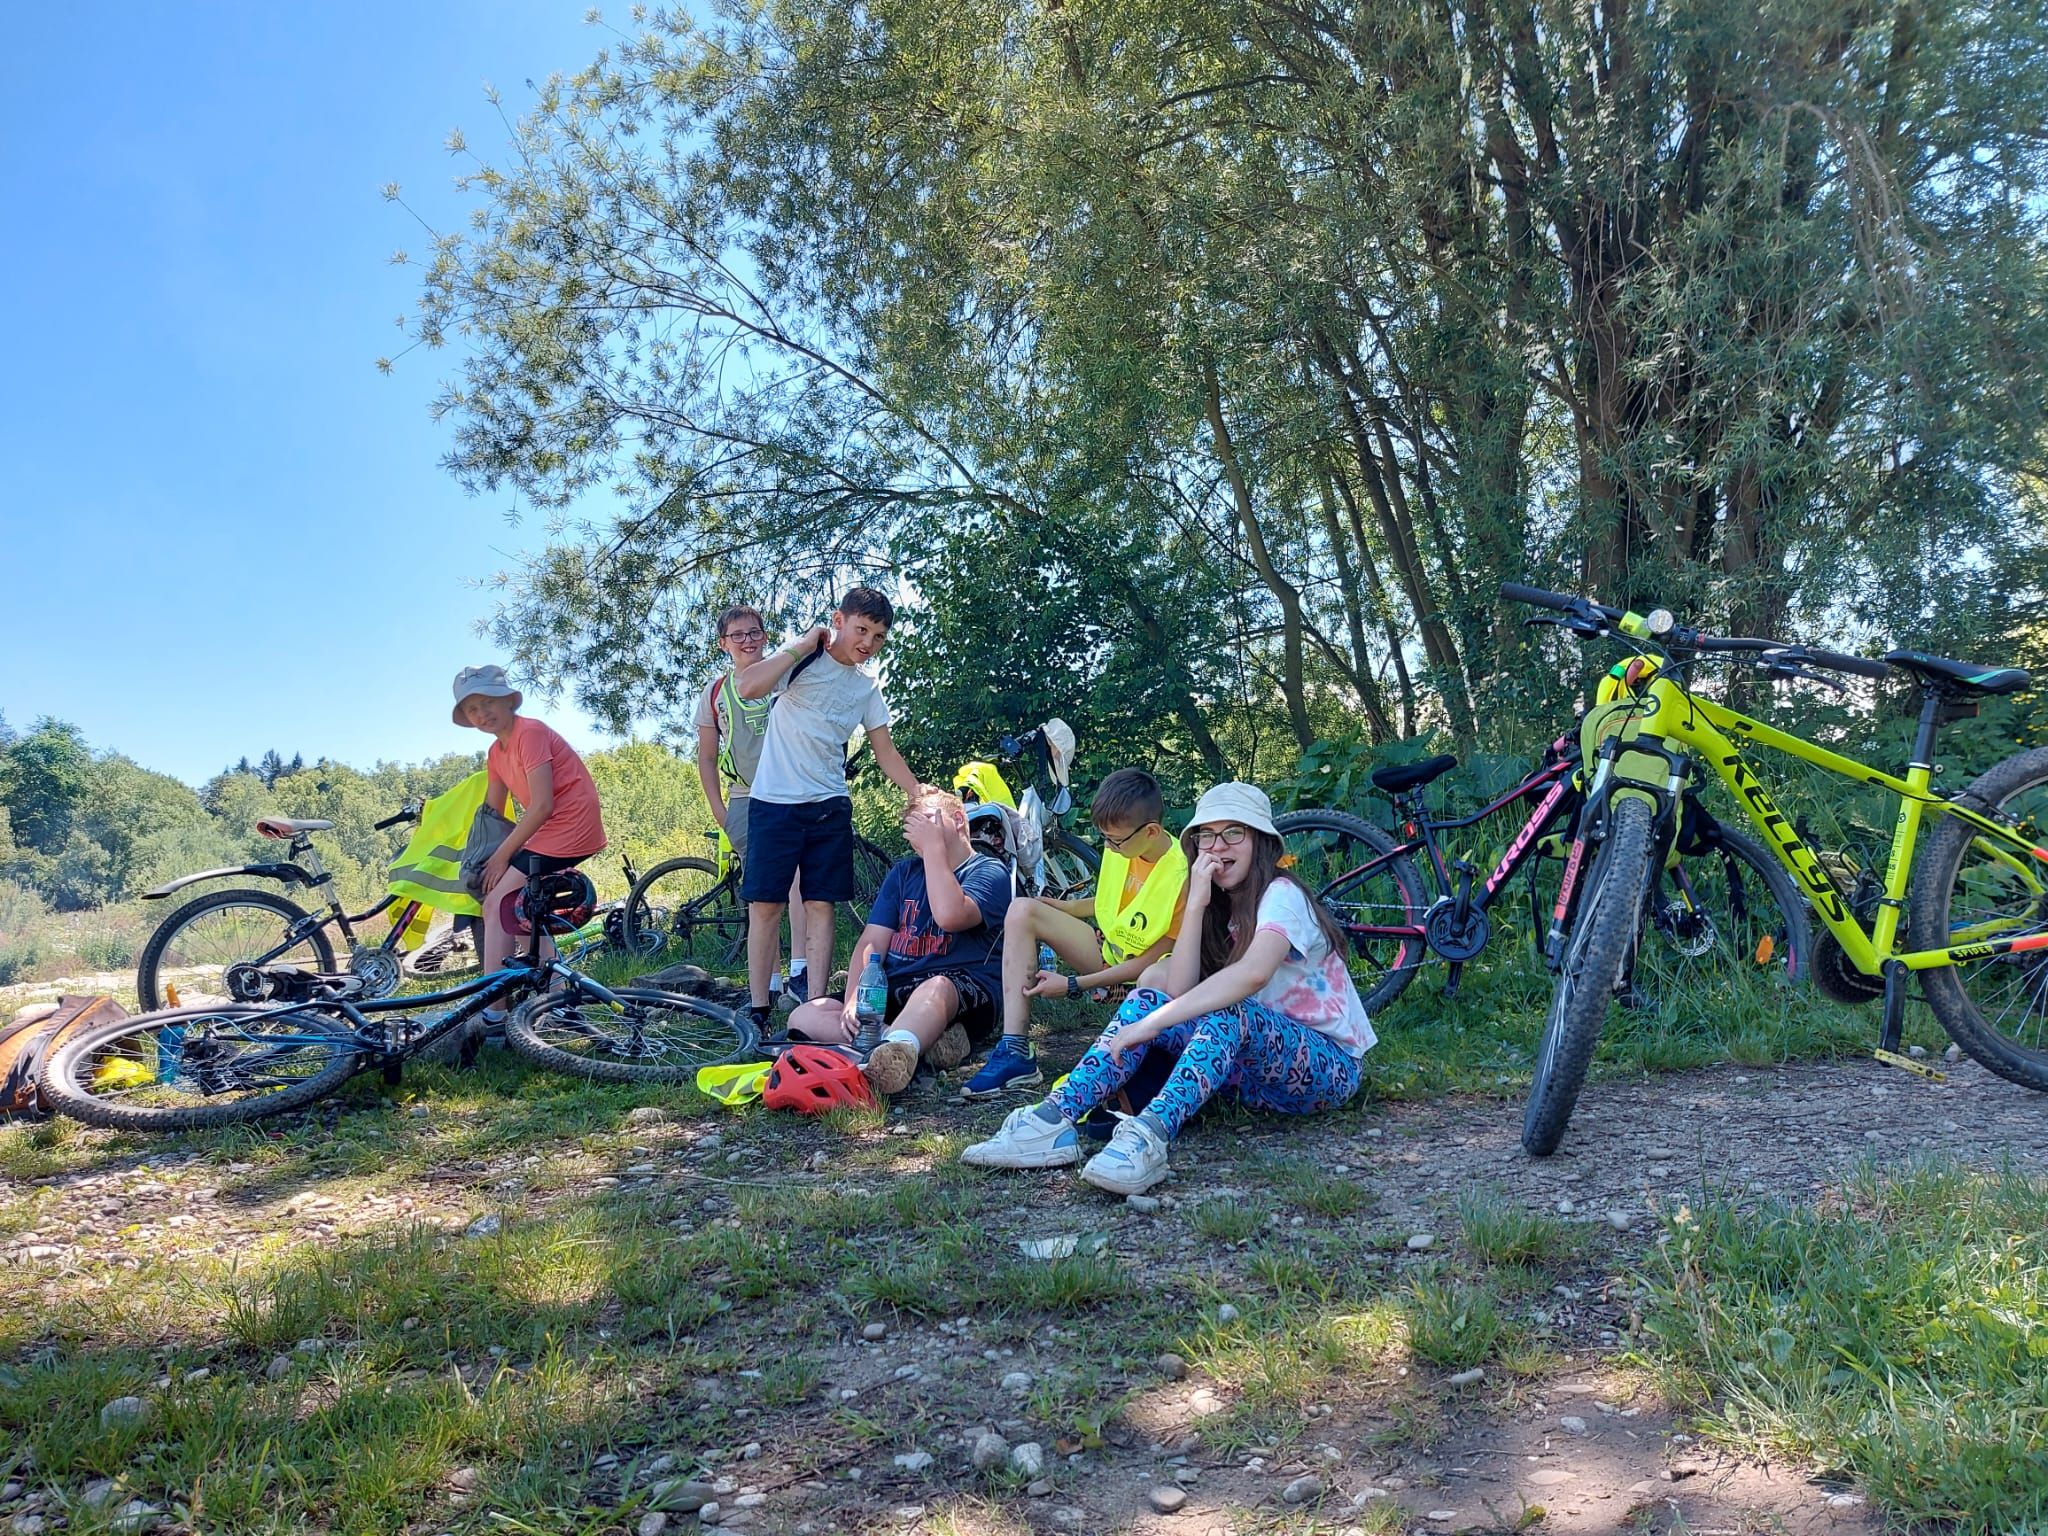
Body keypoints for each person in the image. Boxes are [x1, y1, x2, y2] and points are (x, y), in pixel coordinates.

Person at [960, 782, 1373, 1194]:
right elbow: (1176, 988)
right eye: (1206, 835)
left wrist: (1152, 1025)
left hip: (1327, 1069)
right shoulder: (1218, 903)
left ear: (1261, 842)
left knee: (1223, 1009)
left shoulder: (1280, 895)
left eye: (1234, 833)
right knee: (1147, 995)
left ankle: (1148, 1136)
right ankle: (1052, 1120)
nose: (1217, 846)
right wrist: (1195, 902)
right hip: (1255, 1075)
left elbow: (1251, 975)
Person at [734, 587, 925, 1032]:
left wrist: (917, 790)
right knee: (765, 904)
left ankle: (813, 1005)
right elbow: (748, 686)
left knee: (821, 904)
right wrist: (802, 643)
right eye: (861, 629)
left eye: (878, 636)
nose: (868, 643)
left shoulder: (866, 688)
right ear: (838, 620)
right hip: (774, 801)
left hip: (829, 805)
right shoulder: (800, 658)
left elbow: (885, 751)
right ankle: (758, 1007)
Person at [961, 768, 1189, 1098]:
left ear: (1151, 831)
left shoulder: (1181, 875)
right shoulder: (1125, 846)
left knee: (1148, 978)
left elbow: (1147, 964)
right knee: (1022, 910)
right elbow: (1117, 901)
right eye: (1105, 838)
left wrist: (1071, 985)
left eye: (1115, 840)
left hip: (1147, 981)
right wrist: (1061, 907)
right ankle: (1015, 1051)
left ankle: (1143, 1061)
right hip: (1108, 955)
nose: (1109, 847)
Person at [783, 789, 1013, 1095]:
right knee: (805, 1015)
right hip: (896, 987)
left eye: (927, 821)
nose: (917, 833)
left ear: (958, 819)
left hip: (960, 990)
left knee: (936, 987)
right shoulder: (904, 872)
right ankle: (904, 1044)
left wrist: (934, 852)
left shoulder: (989, 871)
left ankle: (898, 1049)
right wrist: (854, 997)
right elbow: (872, 941)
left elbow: (950, 916)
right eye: (913, 827)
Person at [451, 665, 608, 1022]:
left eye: (488, 702)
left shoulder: (530, 732)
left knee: (497, 903)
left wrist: (501, 859)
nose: (482, 713)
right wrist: (478, 855)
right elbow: (493, 809)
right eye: (473, 709)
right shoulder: (495, 753)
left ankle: (493, 1009)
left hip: (570, 823)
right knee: (518, 911)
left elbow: (541, 805)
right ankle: (558, 995)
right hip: (547, 827)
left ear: (508, 701)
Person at [694, 603, 811, 1002]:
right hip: (745, 797)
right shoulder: (714, 693)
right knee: (764, 889)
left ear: (765, 634)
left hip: (792, 790)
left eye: (754, 633)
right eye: (738, 635)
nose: (748, 641)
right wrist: (720, 812)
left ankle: (800, 969)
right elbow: (706, 757)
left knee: (797, 879)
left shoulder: (787, 675)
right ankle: (770, 977)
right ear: (723, 643)